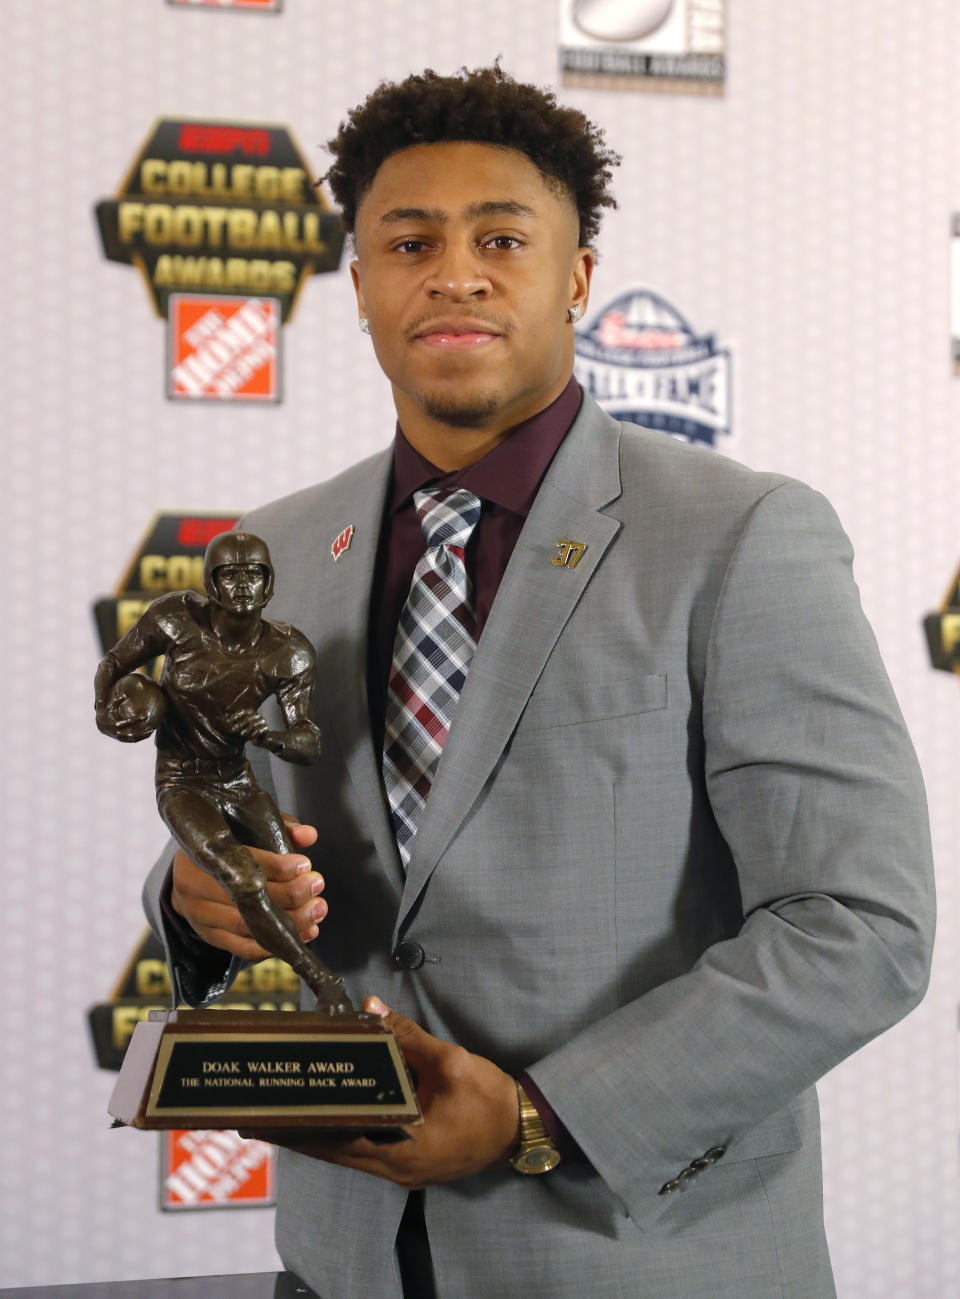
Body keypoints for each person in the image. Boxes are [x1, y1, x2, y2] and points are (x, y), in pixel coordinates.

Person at [143, 65, 935, 1298]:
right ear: (359, 288)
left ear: (575, 276)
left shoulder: (741, 535)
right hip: (343, 1260)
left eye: (500, 237)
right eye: (409, 240)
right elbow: (269, 841)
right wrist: (199, 905)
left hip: (639, 1263)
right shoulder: (280, 548)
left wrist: (537, 1112)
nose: (454, 271)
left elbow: (860, 925)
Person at [98, 531, 348, 1009]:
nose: (241, 586)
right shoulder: (175, 619)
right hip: (182, 780)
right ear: (211, 583)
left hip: (239, 781)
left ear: (269, 583)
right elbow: (113, 662)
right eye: (229, 575)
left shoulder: (287, 651)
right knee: (246, 879)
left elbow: (308, 740)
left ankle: (317, 989)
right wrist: (105, 712)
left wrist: (269, 737)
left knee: (292, 893)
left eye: (253, 574)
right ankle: (324, 985)